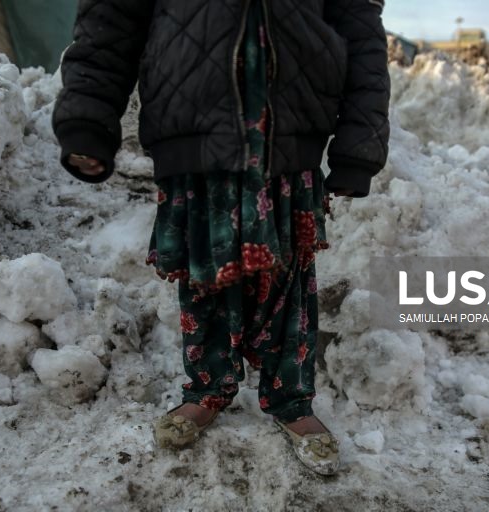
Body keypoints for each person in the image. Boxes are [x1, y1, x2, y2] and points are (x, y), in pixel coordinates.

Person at [52, 0, 390, 476]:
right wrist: (87, 119)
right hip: (193, 120)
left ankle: (291, 399)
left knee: (288, 280)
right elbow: (112, 19)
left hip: (291, 128)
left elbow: (359, 27)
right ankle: (208, 388)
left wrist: (360, 145)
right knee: (205, 276)